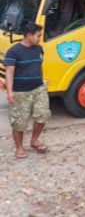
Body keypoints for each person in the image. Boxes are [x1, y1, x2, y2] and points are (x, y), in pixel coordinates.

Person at [3, 22, 51, 159]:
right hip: (20, 92)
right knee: (19, 122)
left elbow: (39, 66)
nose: (40, 38)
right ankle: (19, 147)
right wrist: (10, 91)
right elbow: (9, 73)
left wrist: (42, 83)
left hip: (38, 89)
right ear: (29, 35)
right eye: (38, 36)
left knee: (43, 116)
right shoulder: (14, 51)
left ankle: (34, 140)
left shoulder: (39, 49)